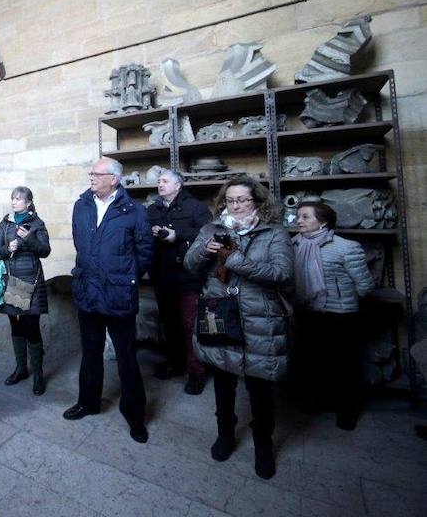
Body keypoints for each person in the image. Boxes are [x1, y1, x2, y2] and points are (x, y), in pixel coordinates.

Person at [184, 176, 293, 480]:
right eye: (230, 200)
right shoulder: (211, 229)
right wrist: (205, 250)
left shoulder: (274, 234)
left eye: (242, 200)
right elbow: (190, 265)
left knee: (259, 389)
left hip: (260, 318)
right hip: (219, 315)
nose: (235, 205)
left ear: (257, 201)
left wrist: (234, 260)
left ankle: (263, 446)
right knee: (223, 382)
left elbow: (281, 274)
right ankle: (225, 434)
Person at [64, 158, 153, 444]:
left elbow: (145, 252)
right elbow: (80, 242)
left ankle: (135, 415)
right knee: (90, 353)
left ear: (113, 179)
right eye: (91, 172)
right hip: (88, 290)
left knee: (126, 358)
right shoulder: (82, 205)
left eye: (96, 173)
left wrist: (124, 276)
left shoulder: (134, 210)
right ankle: (88, 402)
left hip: (118, 294)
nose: (91, 177)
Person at [291, 201, 374, 430]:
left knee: (344, 365)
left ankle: (347, 411)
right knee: (312, 361)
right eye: (298, 216)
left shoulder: (346, 247)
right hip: (308, 312)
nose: (299, 221)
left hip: (339, 315)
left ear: (323, 221)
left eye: (306, 217)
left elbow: (365, 285)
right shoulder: (295, 244)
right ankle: (315, 402)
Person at [146, 169, 211, 395]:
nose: (160, 184)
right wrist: (153, 231)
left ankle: (196, 372)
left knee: (190, 326)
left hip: (188, 276)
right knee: (169, 324)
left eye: (165, 181)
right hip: (163, 275)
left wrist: (177, 235)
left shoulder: (195, 207)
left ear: (178, 185)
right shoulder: (152, 209)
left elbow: (208, 233)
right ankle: (175, 363)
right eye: (158, 181)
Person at [0, 186, 51, 395]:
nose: (14, 202)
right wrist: (8, 249)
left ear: (28, 202)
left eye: (18, 199)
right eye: (12, 198)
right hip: (11, 282)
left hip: (30, 282)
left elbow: (45, 251)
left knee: (31, 328)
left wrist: (30, 240)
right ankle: (21, 369)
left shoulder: (36, 223)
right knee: (16, 327)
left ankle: (39, 374)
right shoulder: (6, 222)